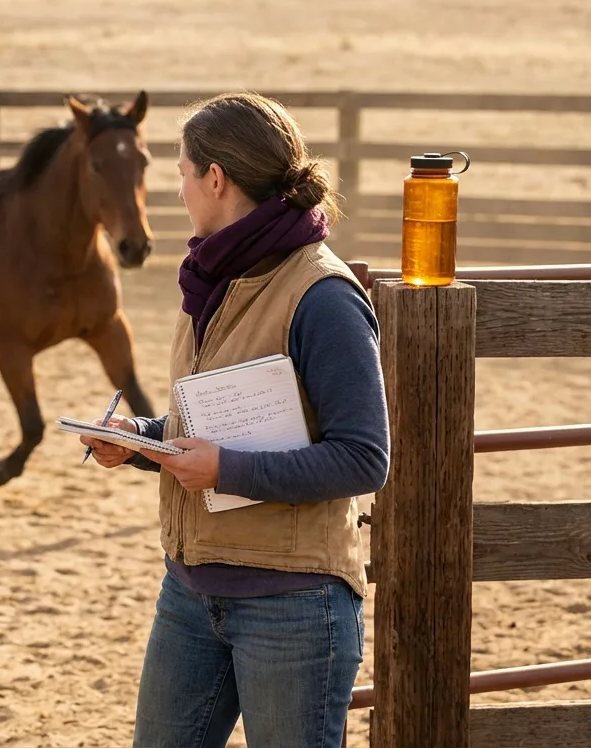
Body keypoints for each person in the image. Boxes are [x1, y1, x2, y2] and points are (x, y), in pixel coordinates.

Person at [78, 92, 389, 748]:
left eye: (182, 175)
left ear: (215, 179)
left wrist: (225, 468)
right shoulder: (211, 279)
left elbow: (364, 457)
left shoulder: (324, 297)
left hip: (293, 605)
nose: (181, 192)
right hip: (190, 593)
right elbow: (233, 416)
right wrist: (140, 439)